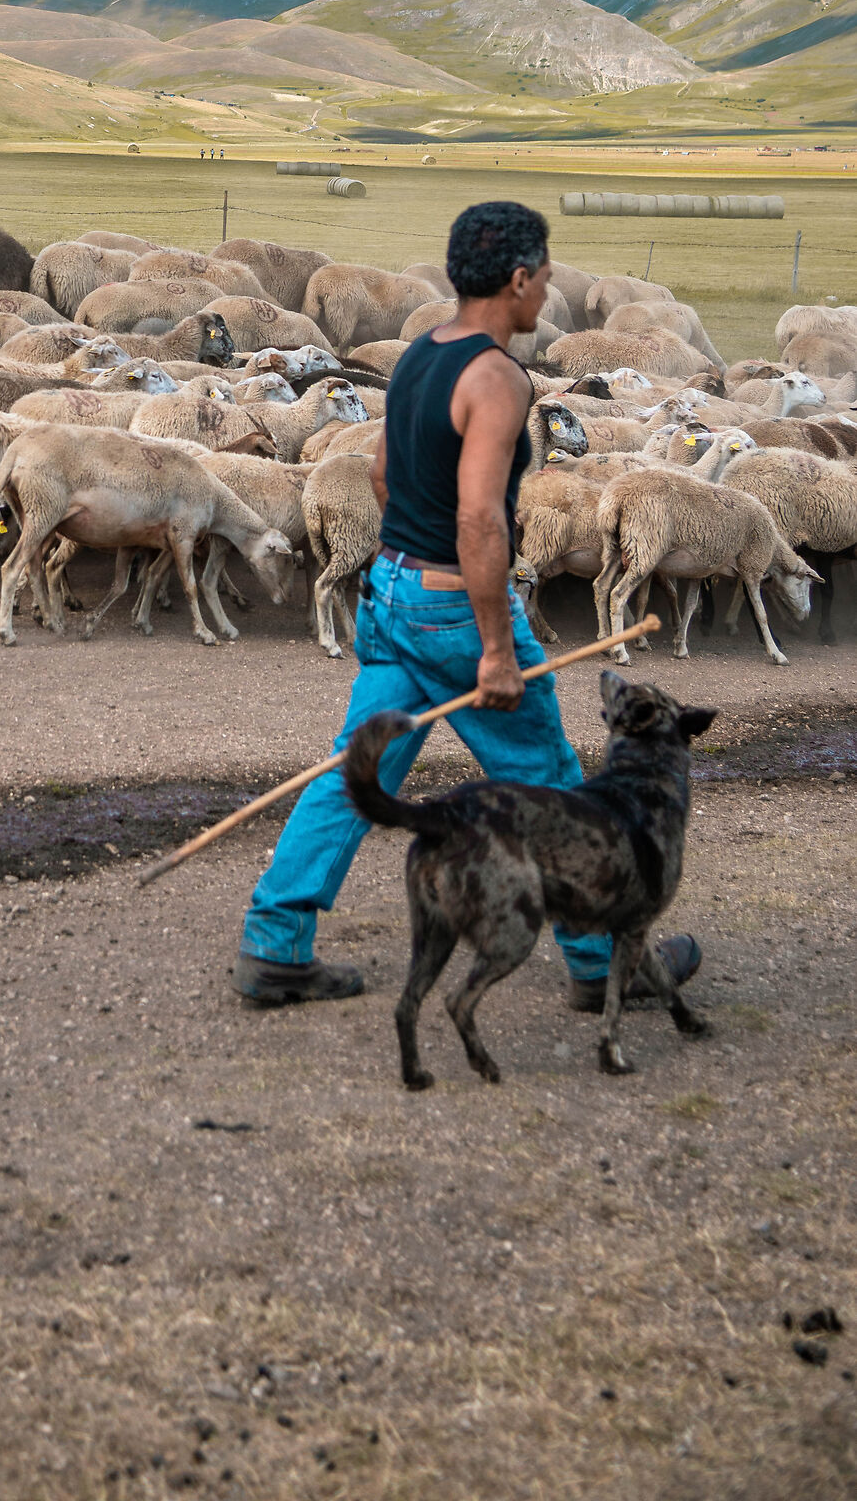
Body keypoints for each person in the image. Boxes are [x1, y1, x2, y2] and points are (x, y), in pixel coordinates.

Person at [233, 198, 702, 1014]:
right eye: (544, 279)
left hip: (391, 590)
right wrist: (493, 648)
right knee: (549, 779)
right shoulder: (496, 377)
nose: (546, 293)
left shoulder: (421, 356)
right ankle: (600, 969)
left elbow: (382, 476)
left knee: (360, 764)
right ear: (518, 279)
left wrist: (409, 553)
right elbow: (481, 518)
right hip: (456, 611)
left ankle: (275, 944)